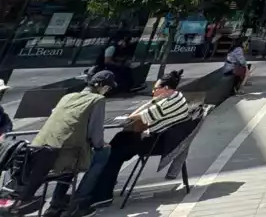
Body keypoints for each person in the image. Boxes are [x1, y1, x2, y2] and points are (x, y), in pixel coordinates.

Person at [69, 70, 192, 215]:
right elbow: (142, 112)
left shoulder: (167, 103)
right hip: (162, 138)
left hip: (160, 143)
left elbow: (136, 117)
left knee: (112, 152)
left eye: (156, 88)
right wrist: (152, 100)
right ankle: (104, 187)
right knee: (118, 141)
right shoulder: (175, 96)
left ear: (166, 89)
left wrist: (149, 103)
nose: (153, 91)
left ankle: (103, 194)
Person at [0, 71, 115, 217]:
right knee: (102, 153)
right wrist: (100, 145)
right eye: (108, 88)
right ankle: (79, 201)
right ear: (103, 86)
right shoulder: (97, 99)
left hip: (38, 155)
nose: (108, 92)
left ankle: (57, 202)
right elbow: (96, 134)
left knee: (72, 155)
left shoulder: (67, 96)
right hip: (64, 157)